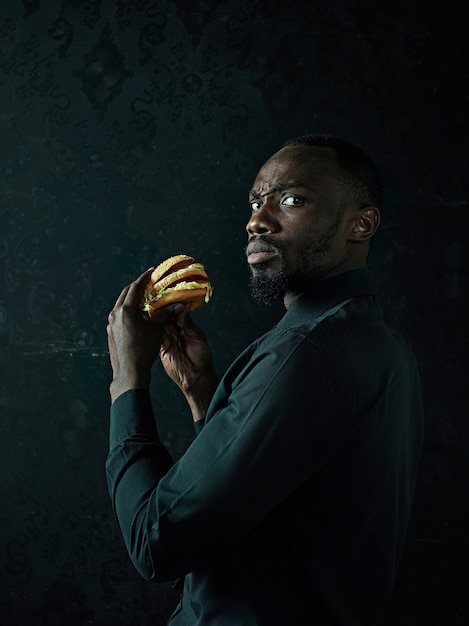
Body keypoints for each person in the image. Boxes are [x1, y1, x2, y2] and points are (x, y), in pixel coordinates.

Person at [106, 135, 424, 625]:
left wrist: (128, 381)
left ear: (361, 224)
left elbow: (157, 543)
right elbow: (273, 502)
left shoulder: (303, 351)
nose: (257, 220)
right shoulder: (378, 344)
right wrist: (202, 391)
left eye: (290, 200)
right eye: (256, 203)